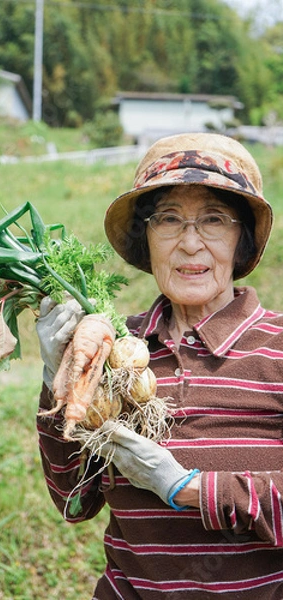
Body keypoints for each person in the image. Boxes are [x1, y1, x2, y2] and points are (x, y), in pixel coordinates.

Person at [35, 132, 283, 599]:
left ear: (242, 240)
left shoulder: (278, 348)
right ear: (145, 239)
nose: (190, 244)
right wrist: (60, 379)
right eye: (168, 220)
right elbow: (73, 501)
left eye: (214, 220)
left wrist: (189, 488)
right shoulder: (114, 348)